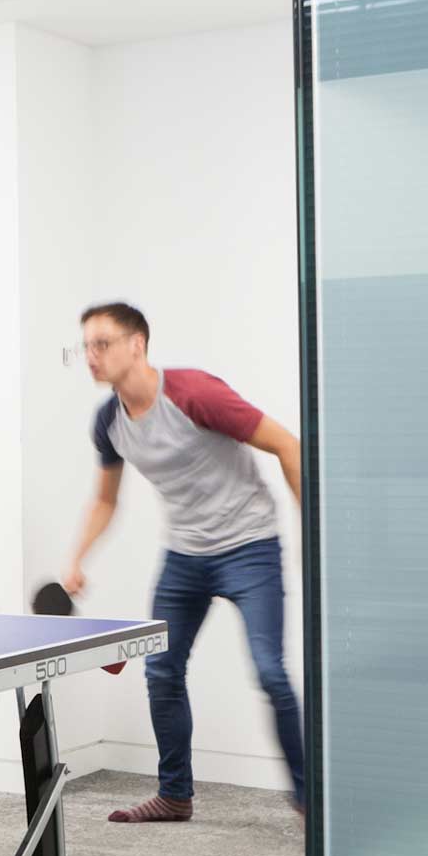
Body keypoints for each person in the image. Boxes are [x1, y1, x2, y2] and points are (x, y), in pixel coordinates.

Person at [61, 301, 306, 821]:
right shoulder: (108, 422)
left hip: (249, 547)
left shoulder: (194, 393)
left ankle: (312, 799)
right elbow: (106, 499)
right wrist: (78, 558)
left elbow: (288, 445)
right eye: (85, 346)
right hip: (186, 557)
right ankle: (175, 795)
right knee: (163, 670)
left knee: (271, 673)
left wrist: (317, 533)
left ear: (137, 345)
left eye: (102, 343)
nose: (91, 356)